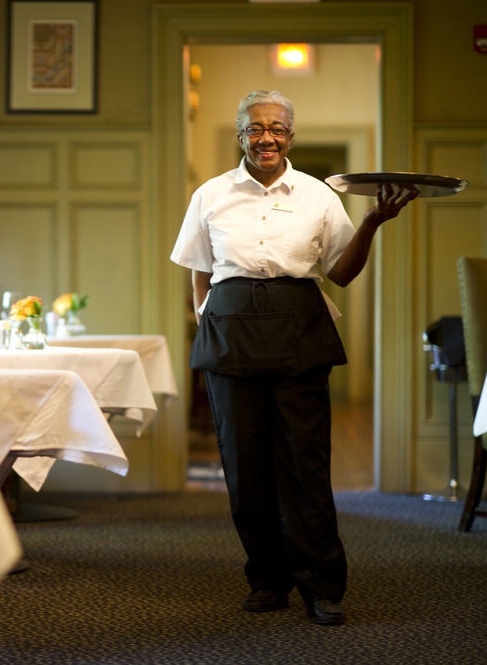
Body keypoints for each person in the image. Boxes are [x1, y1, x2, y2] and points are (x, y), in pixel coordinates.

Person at [170, 90, 417, 626]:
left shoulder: (318, 195)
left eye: (278, 128)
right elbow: (198, 272)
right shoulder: (209, 194)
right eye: (256, 128)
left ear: (290, 136)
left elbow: (342, 273)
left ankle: (321, 585)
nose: (267, 137)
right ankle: (267, 578)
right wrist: (211, 321)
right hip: (230, 333)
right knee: (244, 465)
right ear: (241, 134)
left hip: (300, 329)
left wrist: (372, 222)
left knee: (304, 463)